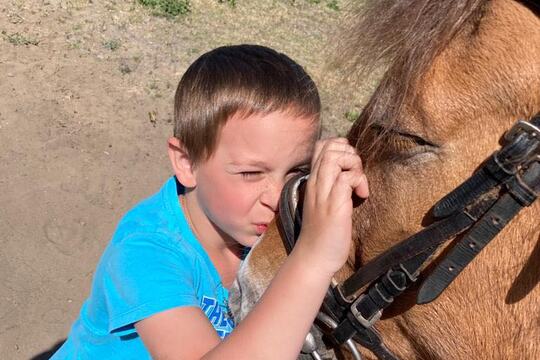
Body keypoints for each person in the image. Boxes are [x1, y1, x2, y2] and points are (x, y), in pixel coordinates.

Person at [52, 44, 369, 359]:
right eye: (250, 173)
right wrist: (312, 259)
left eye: (296, 170)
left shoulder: (251, 222)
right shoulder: (143, 253)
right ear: (187, 163)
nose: (275, 199)